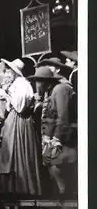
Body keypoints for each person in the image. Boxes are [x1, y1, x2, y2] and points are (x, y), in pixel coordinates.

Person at [0, 58, 42, 200]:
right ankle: (13, 190)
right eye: (5, 71)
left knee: (19, 153)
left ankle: (23, 189)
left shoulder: (22, 84)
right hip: (13, 120)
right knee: (11, 153)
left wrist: (8, 96)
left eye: (8, 71)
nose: (6, 74)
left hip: (20, 122)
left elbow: (20, 107)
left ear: (15, 72)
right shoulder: (14, 84)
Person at [29, 66, 77, 199]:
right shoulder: (49, 92)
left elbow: (63, 116)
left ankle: (66, 196)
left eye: (39, 81)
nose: (37, 84)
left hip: (62, 141)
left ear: (46, 81)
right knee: (52, 166)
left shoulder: (60, 89)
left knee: (58, 166)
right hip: (51, 139)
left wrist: (57, 138)